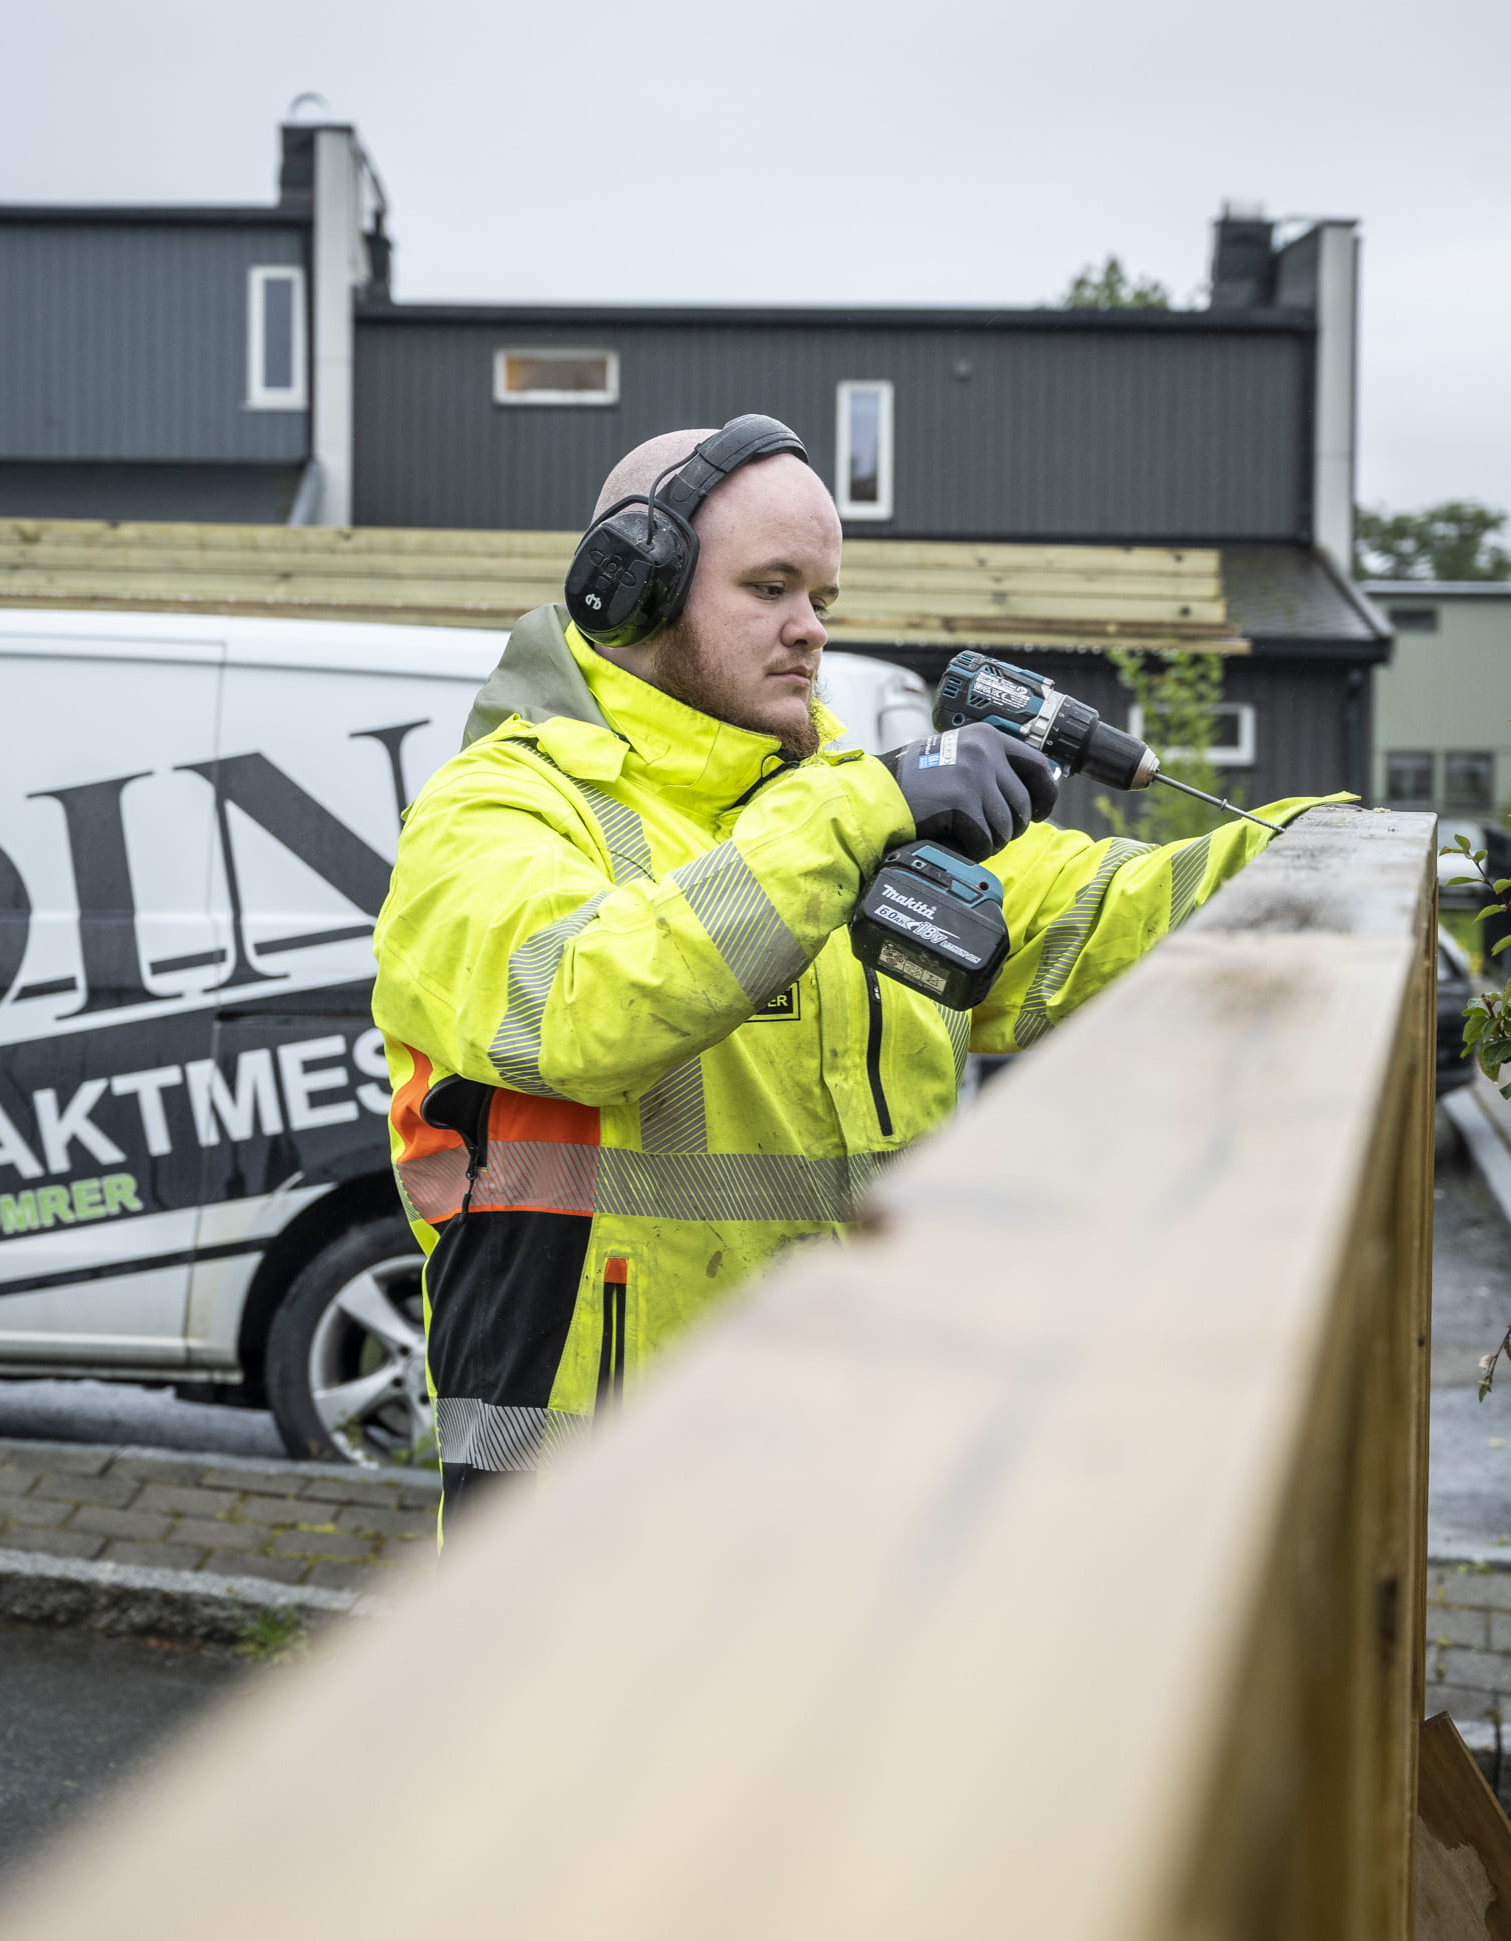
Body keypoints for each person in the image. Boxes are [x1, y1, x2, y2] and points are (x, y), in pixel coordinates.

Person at [371, 417, 1340, 1519]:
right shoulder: (495, 808)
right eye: (770, 587)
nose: (806, 631)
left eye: (822, 599)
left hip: (854, 1477)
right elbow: (578, 1010)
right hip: (601, 1514)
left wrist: (1318, 848)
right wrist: (860, 806)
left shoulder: (834, 805)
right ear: (629, 587)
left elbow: (1087, 917)